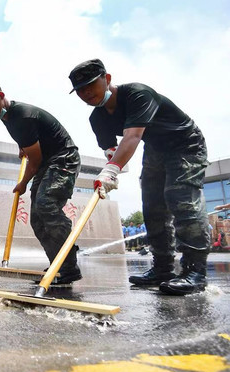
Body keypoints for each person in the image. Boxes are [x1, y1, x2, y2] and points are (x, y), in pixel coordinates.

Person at [69, 58, 211, 295]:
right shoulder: (97, 118)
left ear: (107, 79)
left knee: (181, 200)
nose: (86, 93)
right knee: (152, 208)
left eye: (90, 85)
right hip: (155, 149)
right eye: (80, 90)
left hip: (185, 143)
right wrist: (111, 167)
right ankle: (162, 269)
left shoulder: (137, 94)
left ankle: (194, 272)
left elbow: (133, 136)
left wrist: (112, 169)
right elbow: (112, 151)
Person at [0, 76, 82, 283]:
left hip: (62, 158)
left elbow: (35, 161)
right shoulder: (9, 118)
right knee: (37, 219)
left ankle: (68, 266)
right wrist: (23, 146)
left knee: (46, 205)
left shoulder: (21, 116)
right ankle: (58, 266)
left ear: (1, 95)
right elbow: (32, 143)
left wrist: (23, 183)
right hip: (47, 163)